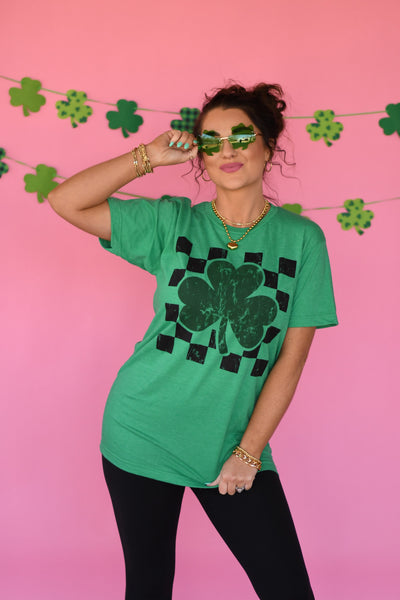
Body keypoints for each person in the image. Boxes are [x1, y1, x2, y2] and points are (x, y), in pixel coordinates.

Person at [48, 82, 338, 600]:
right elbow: (65, 200)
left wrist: (248, 453)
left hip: (231, 442)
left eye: (241, 136)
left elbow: (290, 360)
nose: (227, 150)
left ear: (269, 145)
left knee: (288, 590)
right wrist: (147, 156)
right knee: (149, 586)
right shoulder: (173, 222)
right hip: (142, 429)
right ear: (201, 155)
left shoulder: (302, 241)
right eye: (212, 141)